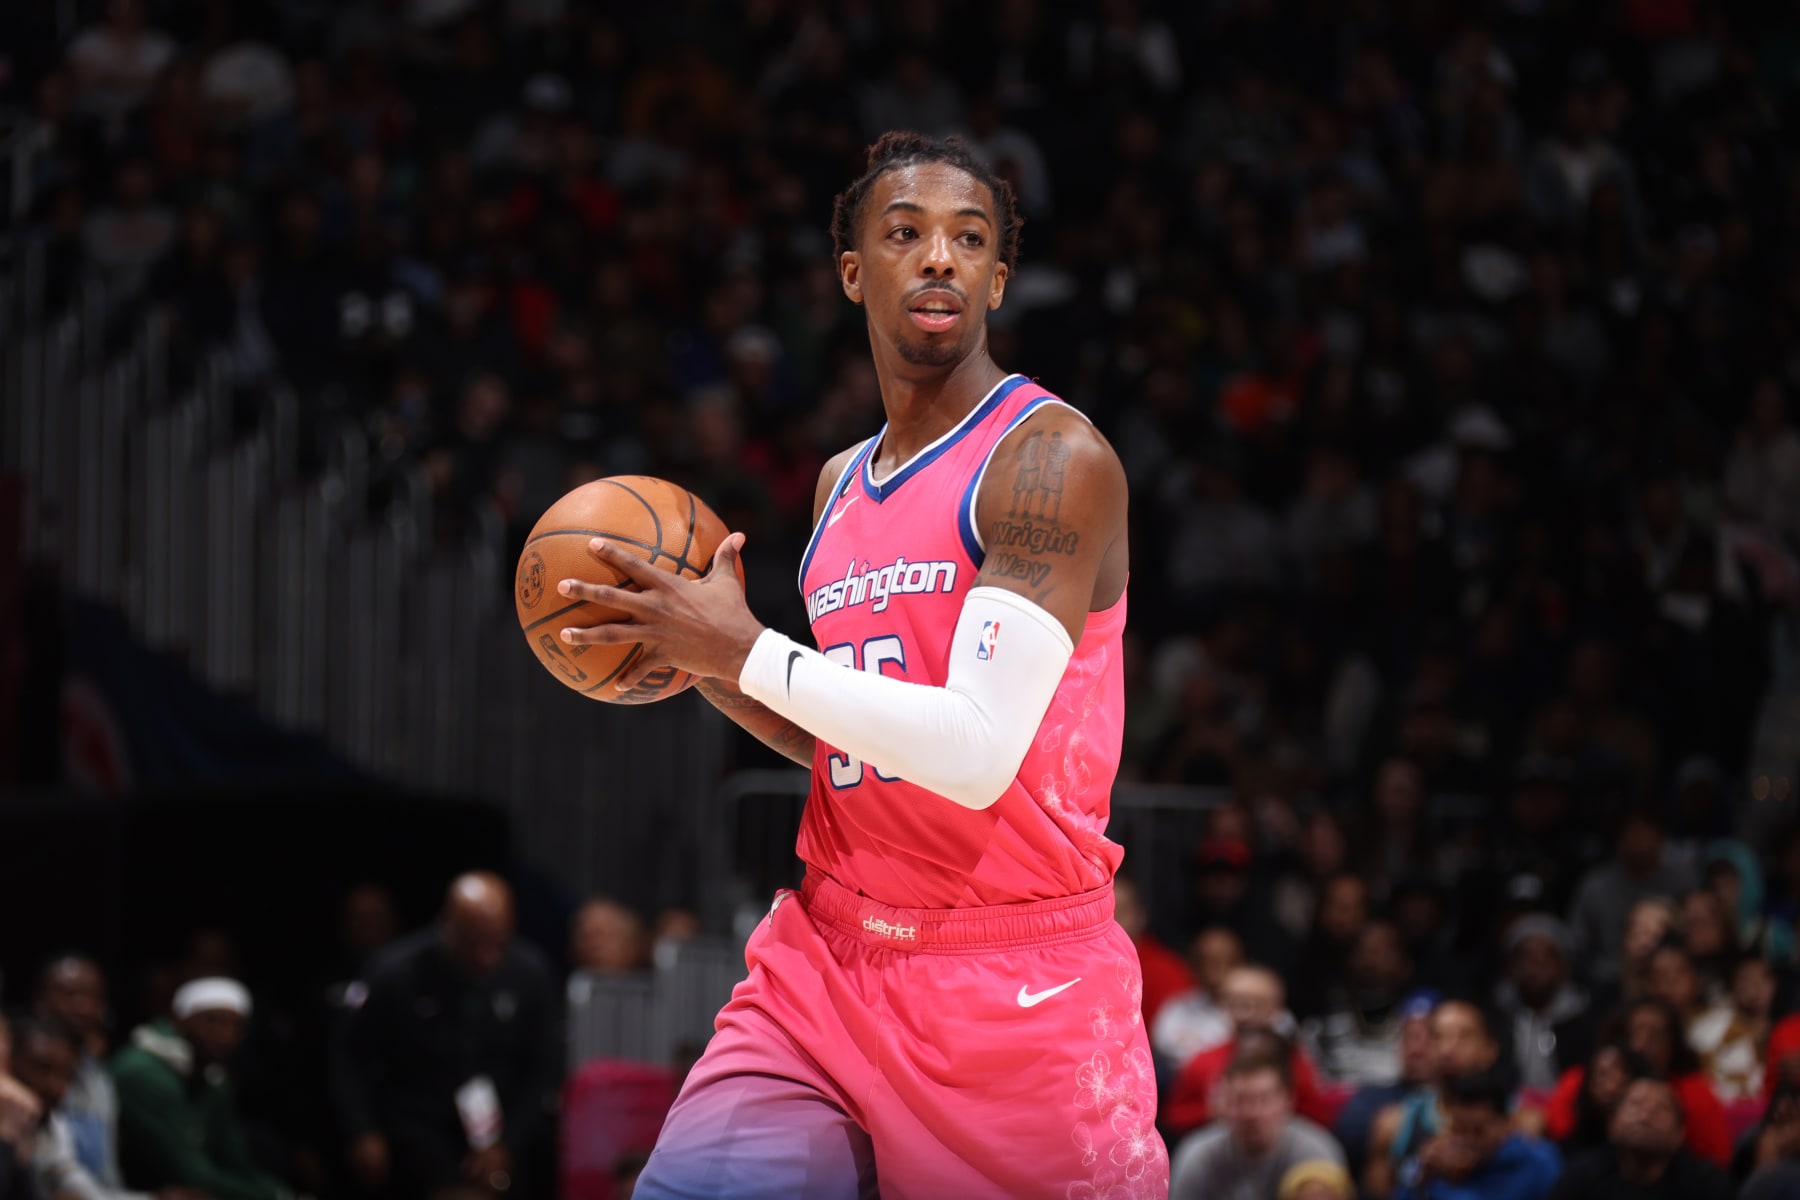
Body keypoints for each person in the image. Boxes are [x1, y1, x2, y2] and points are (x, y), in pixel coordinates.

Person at [554, 131, 1159, 1197]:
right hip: (827, 959)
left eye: (969, 241)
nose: (939, 258)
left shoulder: (1050, 460)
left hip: (1012, 988)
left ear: (998, 281)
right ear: (853, 273)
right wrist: (704, 662)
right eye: (906, 233)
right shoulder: (841, 482)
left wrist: (746, 648)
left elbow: (972, 754)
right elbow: (845, 731)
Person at [330, 872, 560, 1200]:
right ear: (446, 924)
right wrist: (362, 1130)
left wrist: (506, 1145)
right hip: (417, 1125)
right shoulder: (394, 973)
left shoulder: (531, 975)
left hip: (504, 1126)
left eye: (497, 943)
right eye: (472, 943)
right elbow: (348, 1058)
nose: (486, 957)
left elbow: (542, 1069)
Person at [112, 978, 292, 1200]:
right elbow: (189, 1173)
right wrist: (273, 1195)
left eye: (237, 1025)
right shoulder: (143, 1072)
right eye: (212, 1021)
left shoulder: (212, 1076)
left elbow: (234, 1159)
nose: (225, 1034)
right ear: (180, 1019)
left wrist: (280, 1192)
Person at [8, 1015, 202, 1200]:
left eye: (66, 1075)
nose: (55, 1087)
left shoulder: (54, 1126)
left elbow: (80, 1188)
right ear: (8, 1064)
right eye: (43, 1068)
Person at [1542, 998, 1731, 1167]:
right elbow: (1560, 1135)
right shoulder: (1581, 1079)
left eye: (1655, 1035)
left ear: (1673, 1044)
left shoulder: (1693, 1092)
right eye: (1633, 1033)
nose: (1640, 1044)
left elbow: (1716, 1160)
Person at [1165, 968, 1332, 1137]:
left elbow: (1319, 1118)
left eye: (1257, 1004)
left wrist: (1276, 1110)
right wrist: (1214, 1112)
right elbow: (1175, 1118)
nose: (1246, 1014)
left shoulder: (1294, 1062)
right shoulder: (1202, 1061)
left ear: (1276, 1008)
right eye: (1236, 1004)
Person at [1168, 1051, 1345, 1200]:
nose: (1252, 1113)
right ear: (1223, 1105)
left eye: (1264, 1099)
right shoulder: (1198, 1155)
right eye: (1240, 1100)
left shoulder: (1315, 1151)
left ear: (1288, 1100)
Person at [1547, 1076, 1732, 1200]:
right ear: (1612, 1123)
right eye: (1635, 1104)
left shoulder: (1707, 1185)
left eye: (1660, 1108)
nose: (1645, 1115)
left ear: (1679, 1133)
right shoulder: (1581, 1177)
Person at [32, 957, 127, 1189]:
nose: (82, 1006)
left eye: (93, 997)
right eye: (69, 994)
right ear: (40, 1000)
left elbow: (106, 1174)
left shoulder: (98, 1076)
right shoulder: (20, 1067)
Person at [1394, 1070, 1560, 1200]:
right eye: (1459, 1129)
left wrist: (1447, 1186)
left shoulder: (1539, 1164)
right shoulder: (1438, 1161)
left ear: (1507, 1124)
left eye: (1478, 1131)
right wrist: (1422, 1178)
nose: (1467, 1140)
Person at [1303, 919, 1415, 1087]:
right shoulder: (1319, 1025)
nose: (1370, 961)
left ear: (1405, 962)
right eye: (1363, 950)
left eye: (1382, 952)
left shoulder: (1420, 1024)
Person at [1492, 916, 1590, 1091]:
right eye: (1526, 958)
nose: (1535, 968)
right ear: (1512, 967)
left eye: (1546, 958)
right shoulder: (1497, 1020)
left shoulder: (1585, 1022)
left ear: (1564, 966)